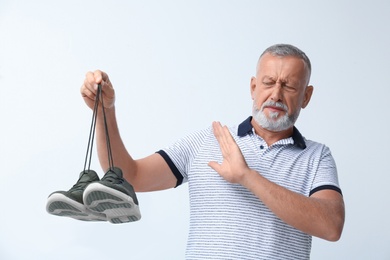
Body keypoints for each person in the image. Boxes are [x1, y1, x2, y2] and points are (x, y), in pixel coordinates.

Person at [46, 44, 345, 259]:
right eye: (268, 83)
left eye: (289, 86)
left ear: (306, 96)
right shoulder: (205, 142)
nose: (276, 94)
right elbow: (131, 176)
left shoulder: (317, 157)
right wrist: (105, 112)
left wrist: (246, 176)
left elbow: (331, 226)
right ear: (253, 87)